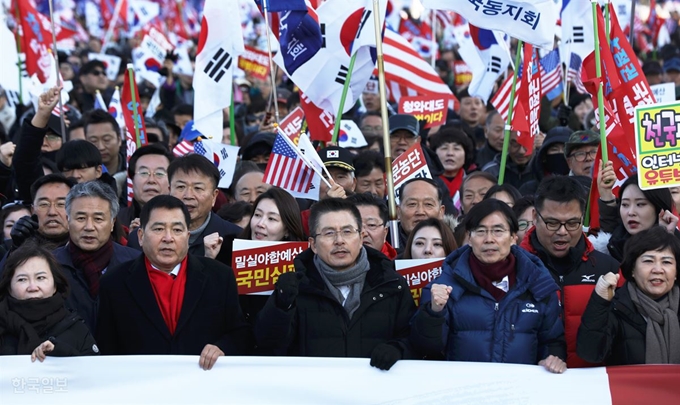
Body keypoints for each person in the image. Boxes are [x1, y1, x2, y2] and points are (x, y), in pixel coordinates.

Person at [254, 198, 416, 370]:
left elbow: (413, 340)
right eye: (329, 233)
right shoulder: (295, 288)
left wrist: (398, 349)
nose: (339, 240)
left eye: (347, 232)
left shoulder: (391, 284)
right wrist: (281, 305)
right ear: (313, 245)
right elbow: (267, 347)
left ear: (361, 238)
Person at [410, 199, 567, 372]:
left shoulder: (537, 283)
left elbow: (552, 342)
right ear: (469, 238)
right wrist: (434, 312)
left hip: (520, 393)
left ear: (513, 237)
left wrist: (552, 359)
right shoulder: (444, 285)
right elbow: (425, 349)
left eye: (498, 231)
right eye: (481, 231)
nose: (489, 239)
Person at [96, 195, 251, 368]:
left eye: (177, 230)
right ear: (140, 236)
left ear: (188, 236)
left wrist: (222, 348)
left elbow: (239, 333)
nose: (168, 238)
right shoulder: (114, 283)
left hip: (203, 385)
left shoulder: (220, 277)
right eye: (159, 229)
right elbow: (106, 348)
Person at [519, 176, 621, 367]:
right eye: (552, 223)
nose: (563, 232)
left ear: (583, 218)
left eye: (572, 223)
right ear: (534, 217)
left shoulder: (607, 269)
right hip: (531, 384)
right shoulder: (514, 267)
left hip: (593, 385)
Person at [577, 227, 680, 365]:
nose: (657, 270)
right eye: (648, 261)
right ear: (632, 269)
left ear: (676, 272)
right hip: (630, 387)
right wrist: (599, 301)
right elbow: (590, 353)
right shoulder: (616, 306)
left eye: (666, 262)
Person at [52, 181, 140, 332]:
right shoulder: (50, 266)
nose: (89, 227)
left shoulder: (135, 263)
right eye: (80, 218)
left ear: (112, 223)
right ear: (68, 220)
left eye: (98, 219)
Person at [126, 154, 242, 266]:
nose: (188, 195)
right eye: (181, 187)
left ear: (214, 196)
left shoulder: (235, 239)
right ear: (169, 190)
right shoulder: (141, 237)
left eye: (198, 188)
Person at [0, 242, 98, 359]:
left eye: (40, 278)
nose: (33, 287)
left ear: (55, 284)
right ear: (9, 287)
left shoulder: (76, 328)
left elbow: (93, 373)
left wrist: (60, 352)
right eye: (22, 279)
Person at [598, 169, 679, 262]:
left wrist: (666, 238)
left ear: (659, 208)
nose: (631, 212)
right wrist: (606, 195)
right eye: (625, 204)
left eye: (640, 204)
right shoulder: (611, 248)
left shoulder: (676, 245)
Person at [8, 175, 75, 253]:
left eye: (61, 204)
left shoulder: (86, 244)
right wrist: (17, 248)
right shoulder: (17, 244)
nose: (52, 212)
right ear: (32, 210)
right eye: (44, 204)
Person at [118, 143, 173, 228]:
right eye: (144, 173)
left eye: (159, 173)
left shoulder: (182, 220)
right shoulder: (116, 221)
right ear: (132, 179)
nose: (151, 180)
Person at [429, 128, 474, 209]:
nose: (450, 153)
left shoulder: (474, 183)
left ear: (466, 155)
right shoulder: (427, 183)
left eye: (456, 149)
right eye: (444, 148)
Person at [397, 178, 445, 250]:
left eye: (428, 204)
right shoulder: (382, 243)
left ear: (441, 212)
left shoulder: (455, 244)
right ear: (398, 211)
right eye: (412, 204)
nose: (420, 212)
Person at [347, 193, 396, 260]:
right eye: (356, 224)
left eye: (371, 225)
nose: (363, 233)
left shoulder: (401, 265)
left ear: (385, 232)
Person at [83, 109, 124, 175]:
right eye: (94, 141)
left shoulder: (132, 167)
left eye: (106, 140)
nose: (101, 147)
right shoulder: (80, 175)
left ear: (119, 140)